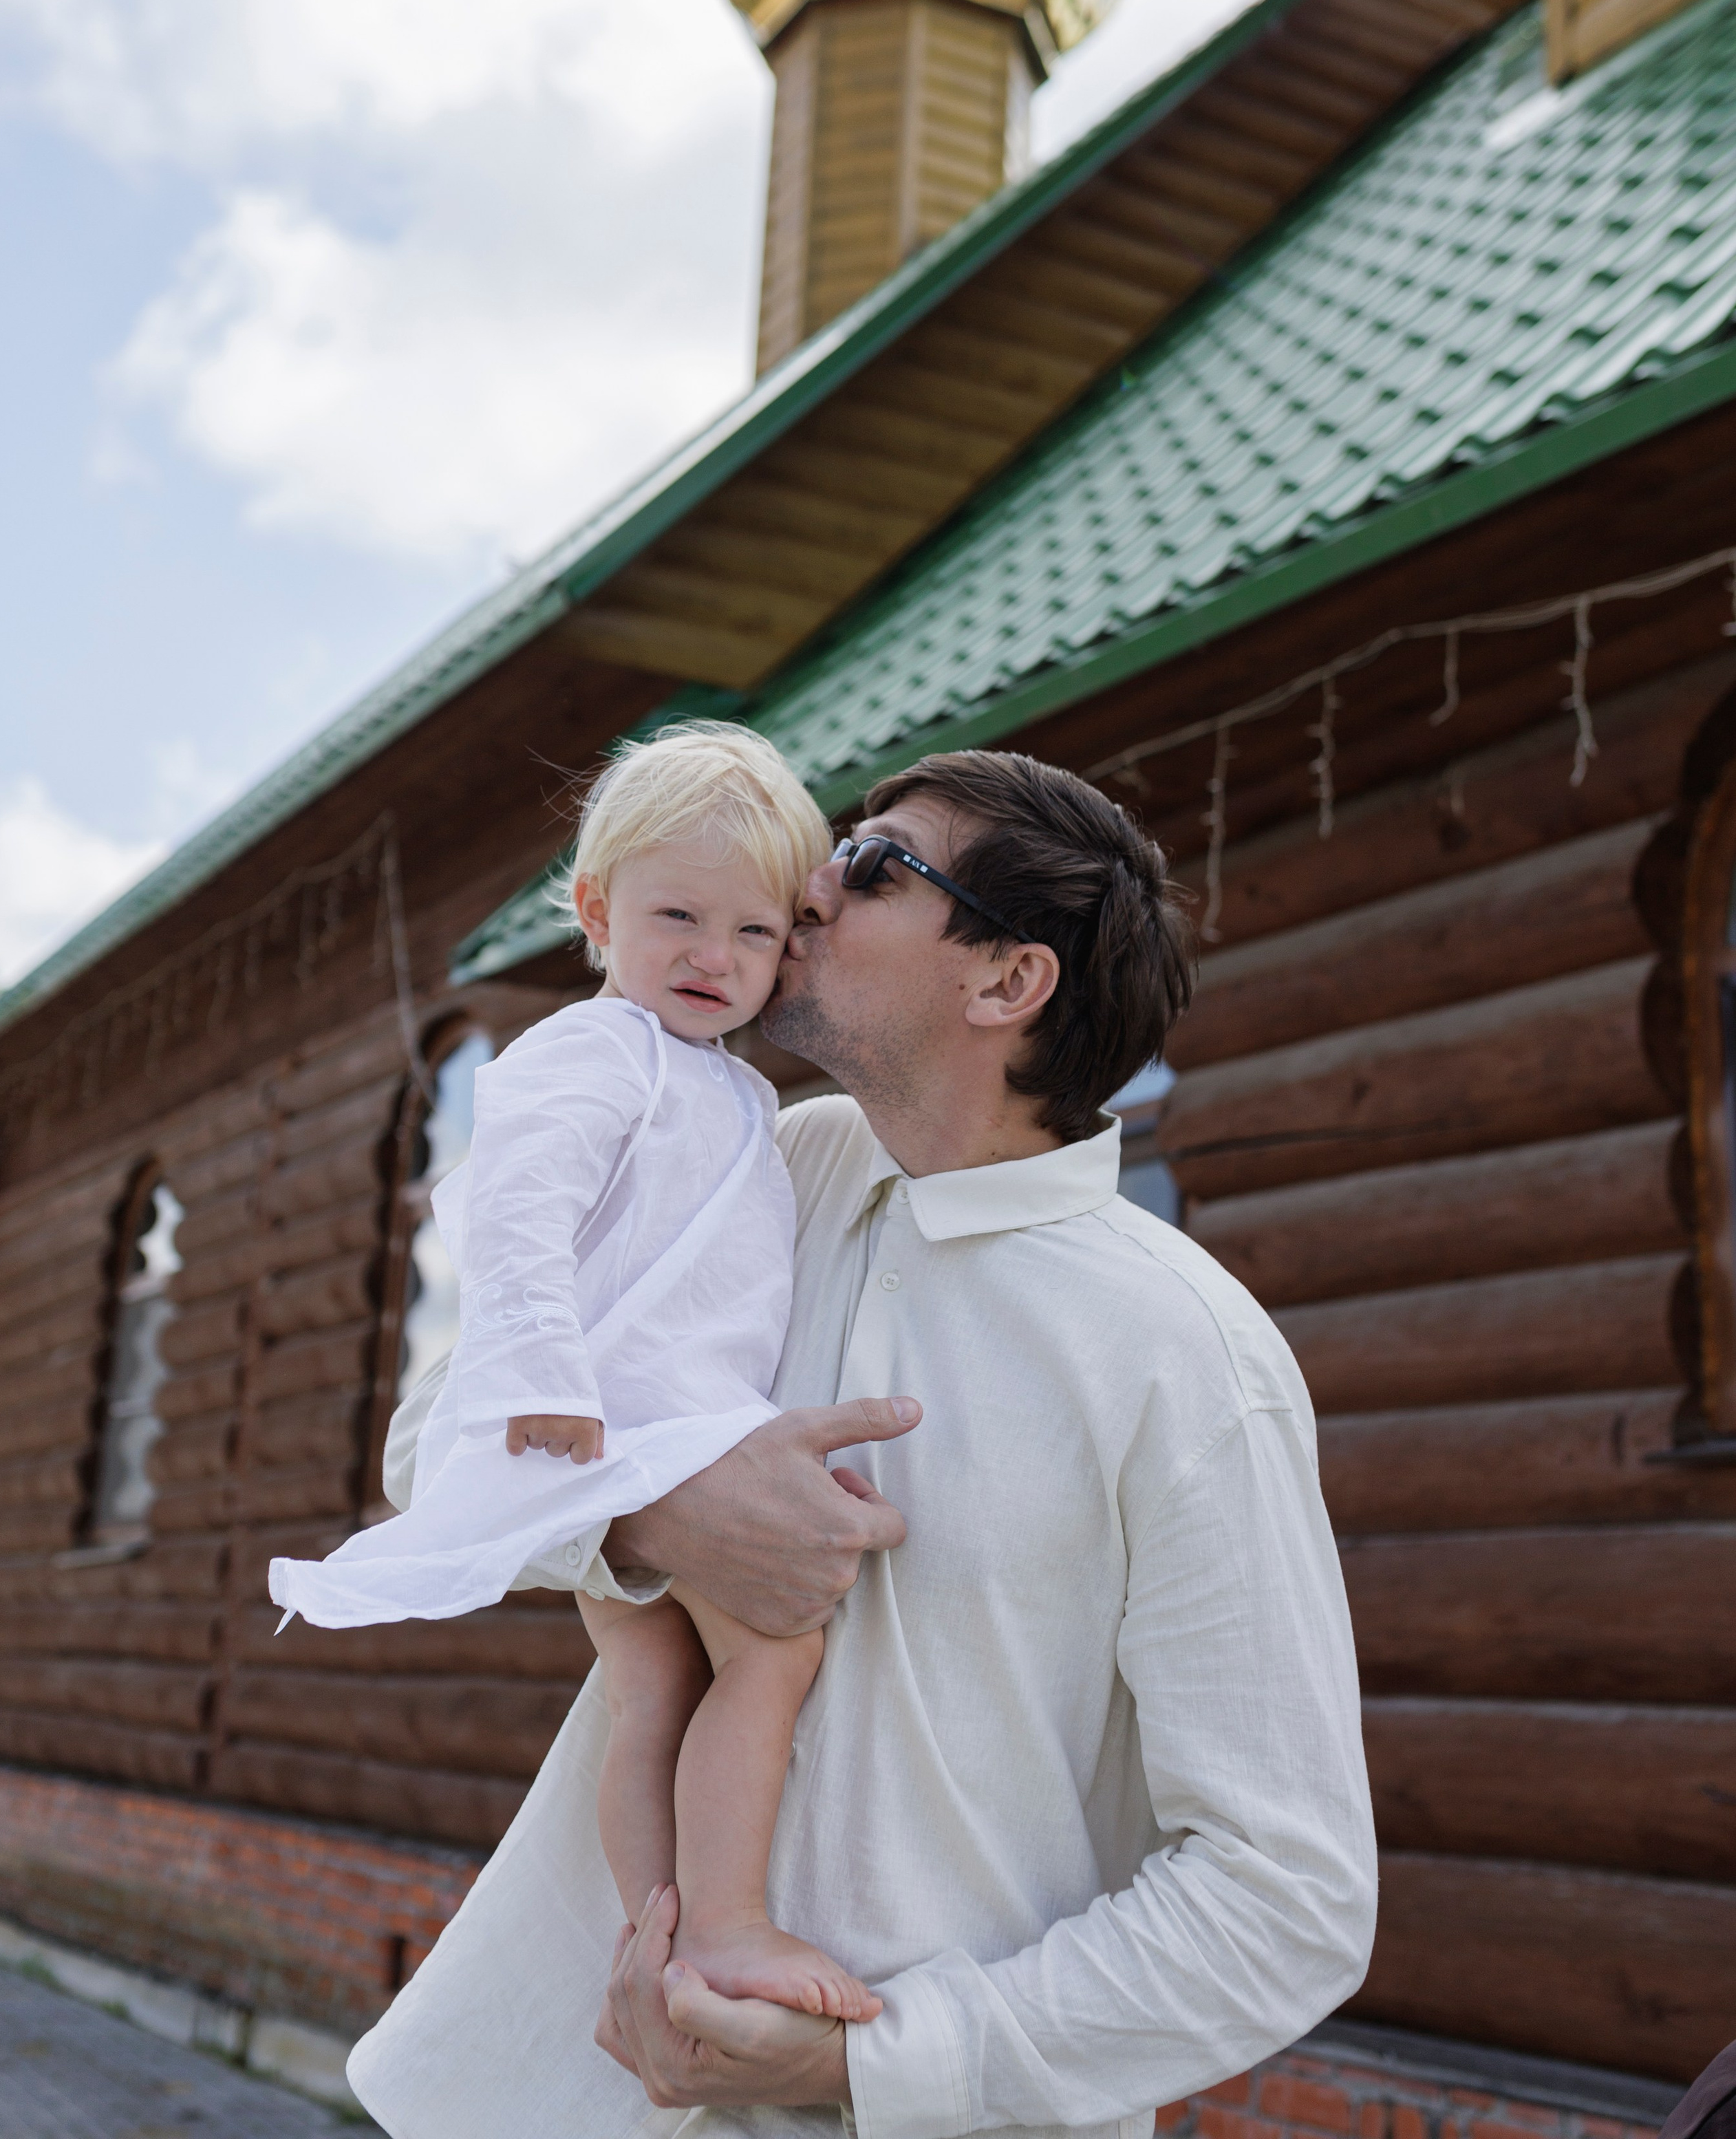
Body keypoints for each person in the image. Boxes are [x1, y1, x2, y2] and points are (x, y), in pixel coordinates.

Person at [350, 747, 1379, 2139]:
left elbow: (1284, 1898)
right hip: (580, 2100)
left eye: (877, 866)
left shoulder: (1186, 1351)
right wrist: (655, 1520)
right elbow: (432, 1447)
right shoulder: (755, 1163)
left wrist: (866, 2063)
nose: (809, 887)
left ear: (1005, 983)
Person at [270, 721, 879, 2022]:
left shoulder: (733, 1090)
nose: (717, 959)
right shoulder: (587, 1052)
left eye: (758, 934)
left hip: (672, 1422)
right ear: (599, 911)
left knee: (652, 1681)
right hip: (630, 1423)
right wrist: (550, 1375)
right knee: (771, 1657)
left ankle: (653, 1938)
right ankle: (726, 1924)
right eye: (681, 917)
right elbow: (514, 1214)